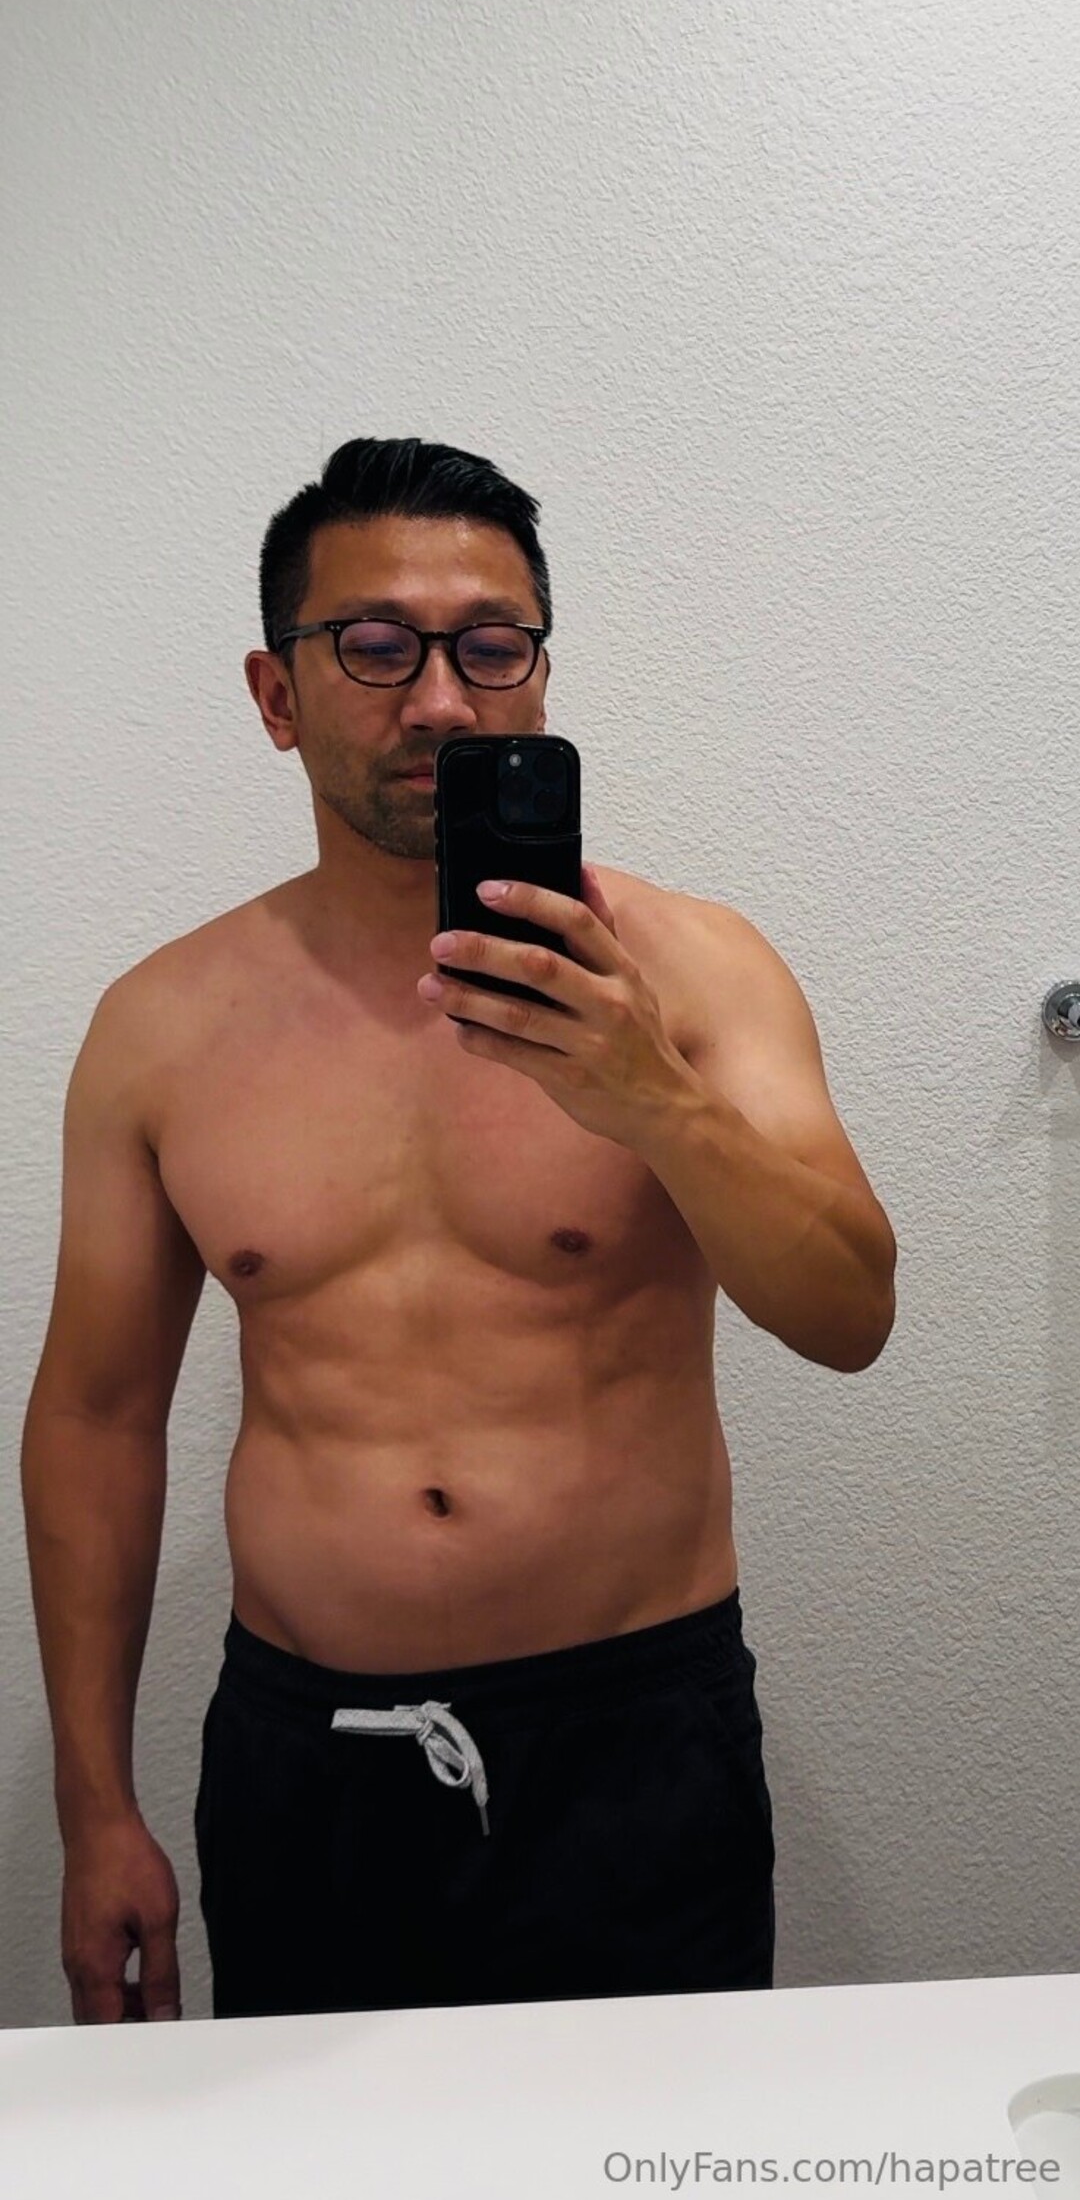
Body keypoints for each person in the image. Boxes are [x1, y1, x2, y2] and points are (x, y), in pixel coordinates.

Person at [21, 436, 897, 2027]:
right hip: (310, 1760)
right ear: (277, 694)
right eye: (375, 645)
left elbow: (851, 1315)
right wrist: (95, 1810)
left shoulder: (694, 973)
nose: (440, 699)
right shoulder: (161, 1030)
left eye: (491, 646)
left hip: (634, 1743)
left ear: (540, 678)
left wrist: (654, 1101)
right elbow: (94, 1418)